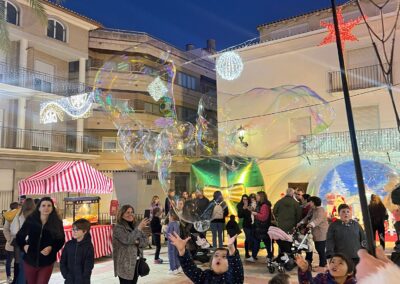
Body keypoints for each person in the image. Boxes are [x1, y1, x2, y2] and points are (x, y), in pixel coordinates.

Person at [16, 197, 65, 284]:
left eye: (49, 205)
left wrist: (52, 248)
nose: (46, 208)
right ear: (39, 208)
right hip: (30, 260)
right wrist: (24, 246)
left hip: (47, 262)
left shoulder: (57, 222)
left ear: (52, 208)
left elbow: (61, 240)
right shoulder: (31, 220)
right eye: (43, 205)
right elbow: (19, 236)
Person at [169, 232, 243, 283]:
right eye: (216, 255)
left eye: (224, 256)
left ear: (230, 264)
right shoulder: (205, 276)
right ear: (211, 264)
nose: (219, 258)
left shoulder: (232, 279)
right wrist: (182, 251)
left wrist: (231, 249)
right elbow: (190, 268)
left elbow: (236, 269)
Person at [112, 204, 149, 284]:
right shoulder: (118, 228)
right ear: (122, 214)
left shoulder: (136, 225)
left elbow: (146, 241)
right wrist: (139, 229)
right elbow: (127, 240)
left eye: (132, 212)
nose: (130, 214)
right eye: (127, 212)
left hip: (136, 262)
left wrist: (137, 242)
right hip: (124, 264)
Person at [298, 196, 329, 271]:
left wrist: (311, 224)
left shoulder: (321, 210)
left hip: (321, 232)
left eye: (310, 202)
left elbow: (318, 219)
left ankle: (322, 266)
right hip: (315, 232)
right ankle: (323, 264)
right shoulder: (312, 209)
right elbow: (307, 217)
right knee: (318, 248)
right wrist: (301, 222)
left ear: (314, 202)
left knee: (320, 249)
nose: (309, 203)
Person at [60, 218, 94, 284]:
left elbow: (89, 265)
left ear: (85, 231)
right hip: (69, 280)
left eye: (77, 230)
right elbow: (63, 261)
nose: (74, 231)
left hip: (83, 281)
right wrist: (66, 275)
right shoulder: (68, 245)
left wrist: (84, 277)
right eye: (73, 229)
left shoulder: (88, 246)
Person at [10, 198, 35, 284]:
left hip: (20, 244)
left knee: (20, 266)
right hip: (32, 245)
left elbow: (12, 230)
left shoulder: (19, 215)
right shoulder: (36, 216)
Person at [248, 191, 273, 263]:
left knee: (267, 242)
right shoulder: (260, 204)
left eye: (257, 196)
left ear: (261, 196)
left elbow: (263, 217)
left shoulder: (264, 205)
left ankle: (269, 256)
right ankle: (254, 256)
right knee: (257, 241)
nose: (256, 197)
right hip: (259, 227)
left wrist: (255, 214)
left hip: (263, 227)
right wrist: (253, 210)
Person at [3, 201, 19, 283]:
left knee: (17, 262)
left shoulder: (19, 215)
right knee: (9, 261)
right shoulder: (9, 216)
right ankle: (9, 276)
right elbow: (5, 230)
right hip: (11, 244)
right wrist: (10, 240)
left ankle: (16, 277)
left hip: (19, 243)